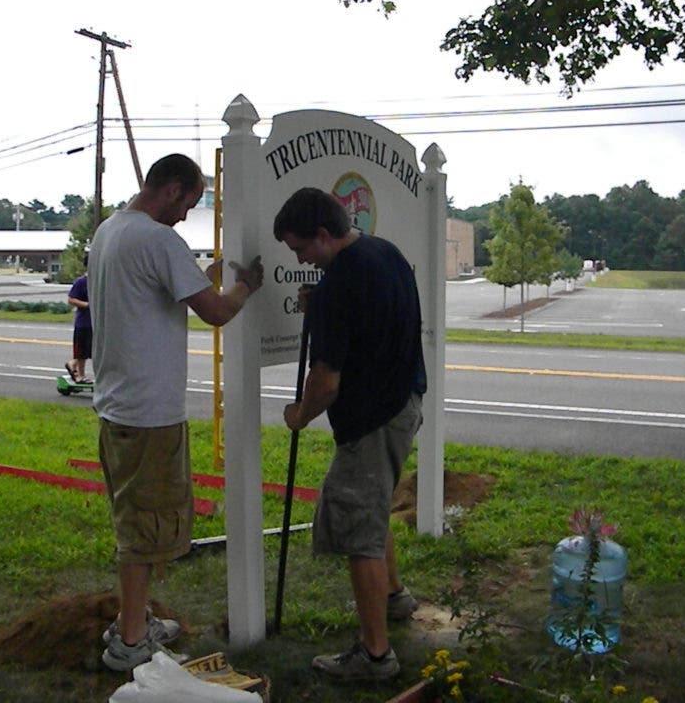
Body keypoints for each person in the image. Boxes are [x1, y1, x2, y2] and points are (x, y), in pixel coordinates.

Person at [89, 153, 264, 672]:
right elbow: (215, 311)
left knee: (140, 521)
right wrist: (246, 285)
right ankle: (131, 643)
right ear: (169, 189)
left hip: (119, 406)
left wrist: (204, 275)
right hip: (148, 414)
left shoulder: (109, 233)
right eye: (187, 203)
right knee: (145, 531)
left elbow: (165, 290)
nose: (187, 215)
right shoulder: (158, 238)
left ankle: (134, 620)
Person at [274, 187, 426, 682]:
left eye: (301, 249)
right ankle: (396, 597)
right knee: (373, 504)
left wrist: (300, 414)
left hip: (371, 417)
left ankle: (375, 655)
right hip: (404, 401)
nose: (300, 259)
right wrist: (322, 304)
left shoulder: (337, 286)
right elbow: (373, 312)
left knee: (357, 528)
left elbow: (326, 380)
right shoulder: (382, 252)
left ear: (323, 234)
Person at [65, 257, 92, 384]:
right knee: (82, 351)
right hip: (84, 322)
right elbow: (71, 299)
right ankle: (80, 375)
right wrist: (87, 304)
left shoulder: (99, 281)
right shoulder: (81, 282)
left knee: (90, 350)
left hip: (96, 322)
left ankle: (72, 365)